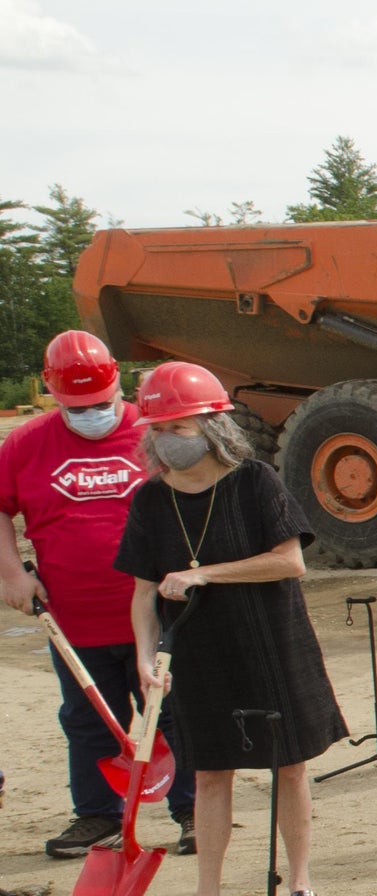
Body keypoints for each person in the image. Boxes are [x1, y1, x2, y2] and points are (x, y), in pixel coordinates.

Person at [112, 362, 348, 896]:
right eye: (160, 428)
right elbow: (143, 593)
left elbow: (290, 561)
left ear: (215, 426)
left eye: (181, 426)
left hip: (271, 642)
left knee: (289, 768)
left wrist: (205, 575)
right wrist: (145, 660)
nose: (169, 439)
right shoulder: (149, 501)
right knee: (210, 775)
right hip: (197, 656)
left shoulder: (255, 482)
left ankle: (301, 885)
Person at [0, 330, 198, 858]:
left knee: (174, 713)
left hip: (158, 614)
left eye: (102, 403)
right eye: (78, 406)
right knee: (87, 719)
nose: (93, 414)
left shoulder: (156, 432)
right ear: (51, 390)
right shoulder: (24, 445)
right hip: (74, 617)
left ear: (118, 384)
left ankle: (194, 809)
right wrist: (13, 576)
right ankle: (96, 816)